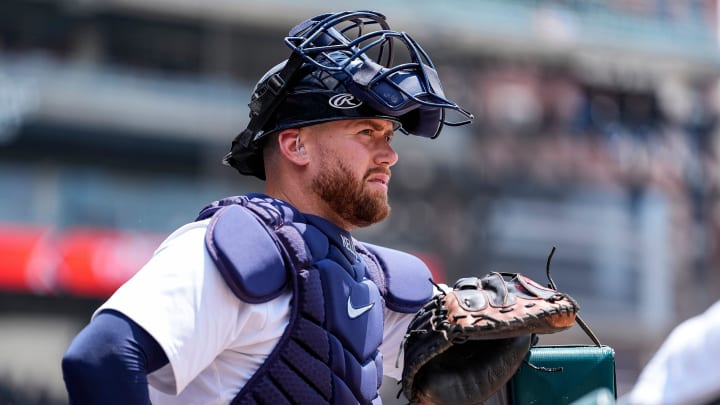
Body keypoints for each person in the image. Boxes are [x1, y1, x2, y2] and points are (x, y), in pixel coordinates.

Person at [61, 10, 475, 404]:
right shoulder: (237, 250)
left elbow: (467, 339)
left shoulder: (363, 279)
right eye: (367, 132)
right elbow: (103, 357)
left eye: (390, 136)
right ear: (296, 145)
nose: (389, 155)